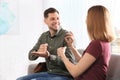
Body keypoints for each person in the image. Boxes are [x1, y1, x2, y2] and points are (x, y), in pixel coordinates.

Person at [57, 5, 116, 80]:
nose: (85, 21)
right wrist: (72, 47)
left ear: (93, 21)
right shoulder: (104, 43)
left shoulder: (96, 44)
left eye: (87, 18)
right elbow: (84, 63)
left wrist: (62, 56)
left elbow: (75, 72)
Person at [16, 7, 76, 80]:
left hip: (65, 75)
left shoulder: (67, 36)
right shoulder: (44, 36)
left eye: (58, 18)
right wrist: (37, 52)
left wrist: (49, 57)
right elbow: (30, 57)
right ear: (45, 21)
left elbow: (71, 62)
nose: (56, 21)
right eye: (52, 19)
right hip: (50, 73)